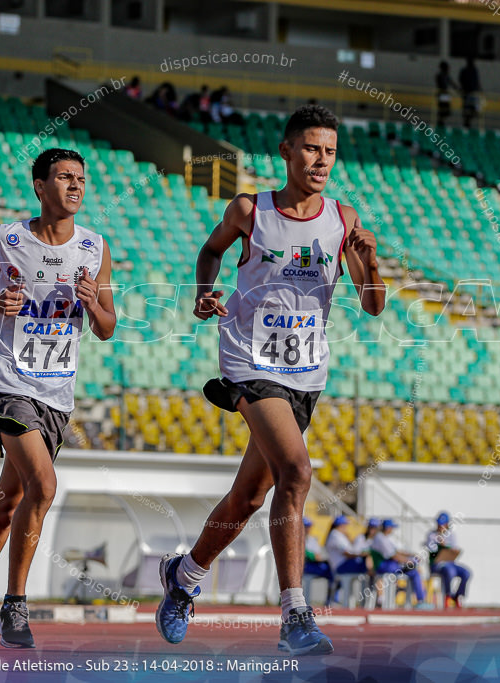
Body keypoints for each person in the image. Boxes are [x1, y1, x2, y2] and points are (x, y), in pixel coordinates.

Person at [153, 104, 385, 655]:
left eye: (329, 150)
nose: (321, 159)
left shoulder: (344, 220)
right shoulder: (250, 210)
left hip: (306, 372)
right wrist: (204, 292)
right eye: (310, 148)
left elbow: (373, 306)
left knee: (250, 497)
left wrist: (371, 263)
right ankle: (295, 615)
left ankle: (183, 578)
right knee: (297, 472)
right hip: (248, 360)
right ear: (286, 152)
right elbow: (210, 253)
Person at [0, 148, 117, 661]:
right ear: (40, 186)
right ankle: (16, 604)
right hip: (7, 383)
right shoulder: (7, 239)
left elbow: (108, 328)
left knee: (7, 506)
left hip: (56, 393)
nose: (75, 186)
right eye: (64, 177)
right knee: (44, 484)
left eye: (81, 178)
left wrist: (91, 303)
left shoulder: (96, 248)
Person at [371, 519, 429, 608]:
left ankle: (417, 597)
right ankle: (420, 600)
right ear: (387, 528)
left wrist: (412, 555)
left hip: (390, 566)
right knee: (414, 571)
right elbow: (394, 555)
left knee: (414, 571)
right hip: (385, 567)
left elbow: (397, 551)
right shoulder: (380, 538)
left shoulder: (385, 538)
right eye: (391, 528)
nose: (392, 530)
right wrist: (410, 561)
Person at [425, 511, 470, 608]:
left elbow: (454, 549)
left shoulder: (451, 535)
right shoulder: (431, 535)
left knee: (466, 573)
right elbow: (431, 550)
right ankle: (448, 595)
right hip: (436, 565)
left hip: (450, 563)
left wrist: (446, 545)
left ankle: (457, 596)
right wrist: (439, 543)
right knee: (450, 571)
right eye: (439, 524)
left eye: (443, 525)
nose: (440, 527)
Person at [302, 517, 333, 601]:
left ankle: (331, 599)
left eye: (309, 526)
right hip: (304, 567)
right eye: (305, 526)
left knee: (332, 574)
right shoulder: (296, 538)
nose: (307, 529)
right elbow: (310, 555)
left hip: (313, 565)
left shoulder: (312, 539)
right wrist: (312, 556)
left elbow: (317, 555)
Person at [458, 57, 481, 129]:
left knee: (474, 110)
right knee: (467, 110)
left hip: (473, 93)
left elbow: (477, 81)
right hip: (467, 93)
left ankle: (468, 122)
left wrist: (479, 90)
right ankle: (466, 123)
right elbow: (461, 80)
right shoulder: (465, 71)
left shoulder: (474, 71)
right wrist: (463, 89)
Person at [435, 61, 457, 128]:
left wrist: (457, 88)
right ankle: (440, 122)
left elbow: (452, 83)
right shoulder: (441, 75)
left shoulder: (445, 75)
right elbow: (447, 84)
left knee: (446, 110)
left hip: (444, 94)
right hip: (443, 94)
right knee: (443, 110)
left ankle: (441, 122)